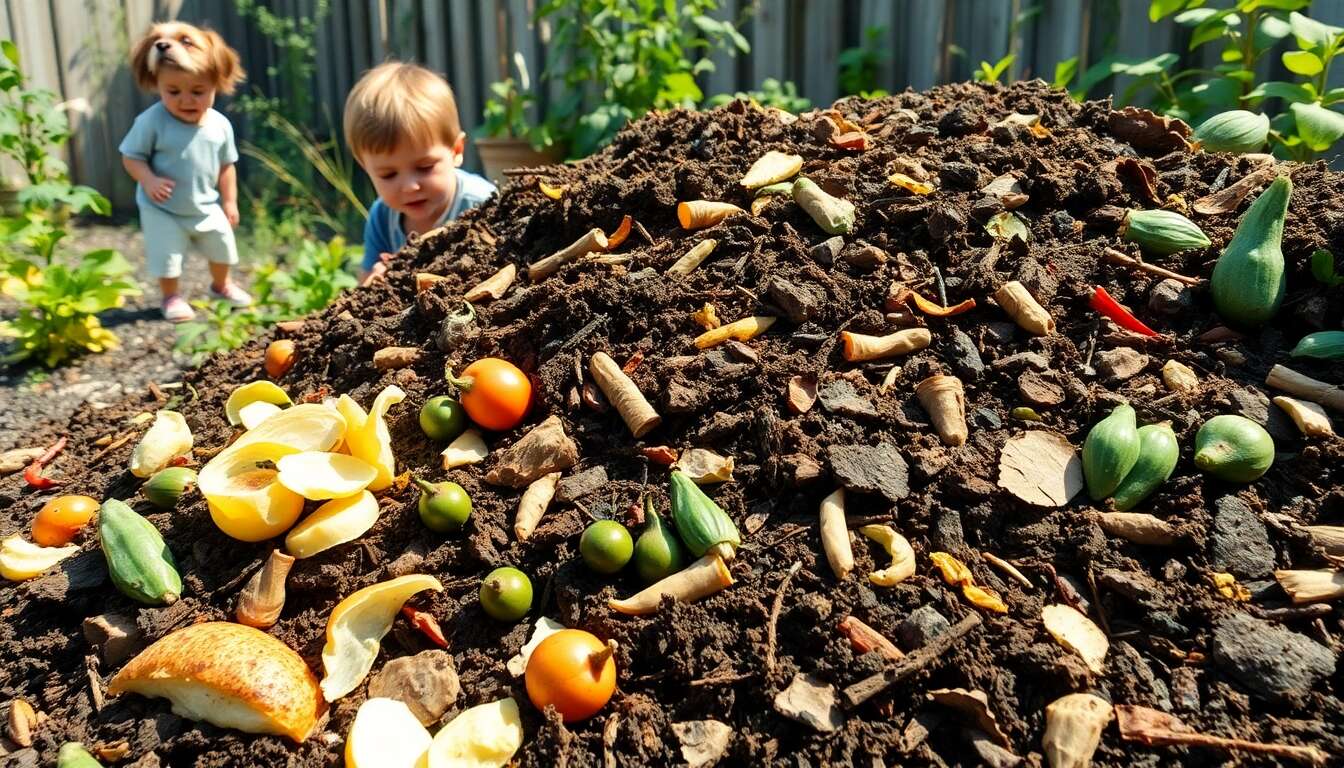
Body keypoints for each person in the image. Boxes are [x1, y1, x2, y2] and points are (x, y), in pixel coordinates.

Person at [120, 21, 249, 322]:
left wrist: (229, 201)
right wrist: (148, 180)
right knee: (167, 257)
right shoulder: (151, 122)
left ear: (217, 83)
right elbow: (131, 156)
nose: (186, 100)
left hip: (206, 204)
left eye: (198, 91)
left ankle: (221, 285)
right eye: (173, 91)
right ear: (158, 84)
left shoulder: (219, 125)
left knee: (223, 247)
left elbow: (227, 166)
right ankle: (171, 296)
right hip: (161, 208)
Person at [344, 62, 496, 283]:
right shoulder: (382, 217)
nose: (409, 186)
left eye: (425, 168)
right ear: (365, 167)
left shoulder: (482, 204)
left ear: (456, 151)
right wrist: (375, 278)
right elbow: (364, 282)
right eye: (388, 174)